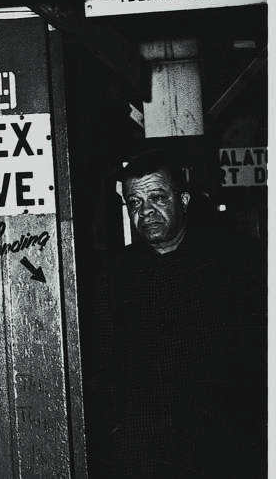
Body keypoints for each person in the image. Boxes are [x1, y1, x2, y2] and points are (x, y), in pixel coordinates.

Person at [104, 149, 265, 478]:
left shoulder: (236, 262)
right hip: (146, 451)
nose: (146, 211)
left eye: (157, 197)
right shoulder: (116, 274)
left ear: (184, 199)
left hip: (224, 445)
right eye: (135, 203)